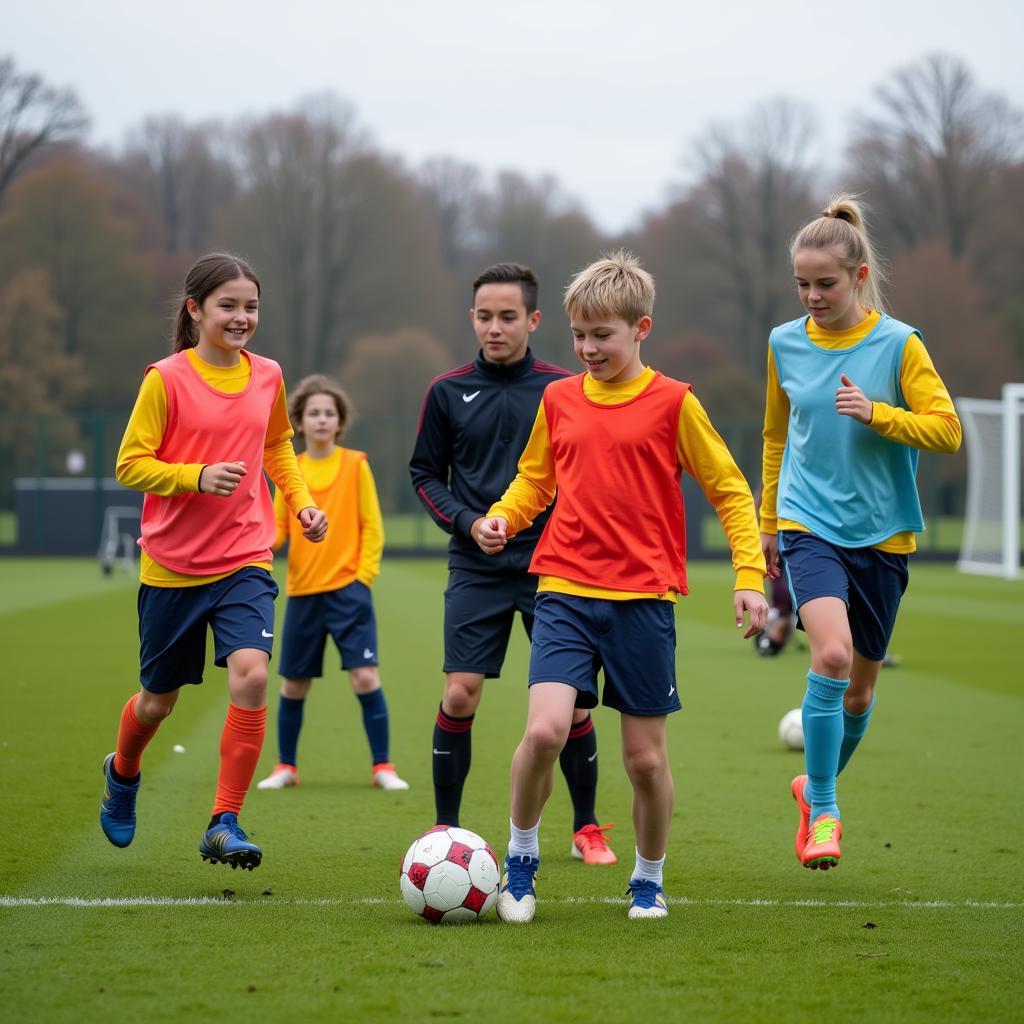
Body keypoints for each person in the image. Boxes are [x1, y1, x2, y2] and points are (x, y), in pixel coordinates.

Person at [475, 251, 768, 921]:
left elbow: (729, 489)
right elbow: (534, 479)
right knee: (546, 731)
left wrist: (748, 577)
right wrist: (502, 516)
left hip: (643, 602)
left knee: (643, 761)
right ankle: (520, 863)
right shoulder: (558, 398)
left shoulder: (674, 402)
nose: (586, 348)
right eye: (578, 335)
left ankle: (648, 877)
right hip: (565, 590)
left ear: (641, 328)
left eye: (601, 335)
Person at [99, 253, 328, 870]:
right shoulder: (166, 379)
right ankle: (122, 774)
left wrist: (301, 504)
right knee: (157, 701)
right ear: (196, 309)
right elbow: (129, 464)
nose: (242, 317)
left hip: (245, 558)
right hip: (172, 568)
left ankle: (224, 820)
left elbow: (277, 444)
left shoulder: (269, 375)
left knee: (252, 673)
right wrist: (196, 476)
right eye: (228, 305)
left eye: (251, 306)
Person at [759, 195, 961, 871]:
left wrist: (878, 413)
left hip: (883, 536)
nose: (812, 296)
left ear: (860, 276)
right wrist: (767, 524)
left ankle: (811, 788)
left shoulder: (900, 344)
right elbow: (776, 436)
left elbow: (947, 430)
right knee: (834, 658)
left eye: (826, 284)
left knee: (861, 692)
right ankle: (824, 809)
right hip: (808, 524)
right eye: (802, 285)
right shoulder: (783, 342)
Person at [409, 262, 618, 865]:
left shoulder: (563, 389)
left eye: (507, 317)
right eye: (483, 316)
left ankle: (586, 827)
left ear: (533, 319)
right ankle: (444, 831)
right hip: (475, 563)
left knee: (575, 704)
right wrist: (468, 523)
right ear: (471, 318)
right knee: (461, 692)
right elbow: (425, 474)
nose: (494, 328)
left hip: (554, 563)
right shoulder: (446, 390)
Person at [257, 374, 409, 793]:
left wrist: (362, 580)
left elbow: (372, 529)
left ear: (339, 422)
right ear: (299, 423)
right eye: (313, 413)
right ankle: (285, 766)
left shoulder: (355, 464)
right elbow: (278, 532)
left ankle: (383, 767)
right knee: (293, 683)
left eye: (329, 413)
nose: (322, 420)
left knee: (365, 677)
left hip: (348, 592)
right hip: (303, 593)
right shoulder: (292, 471)